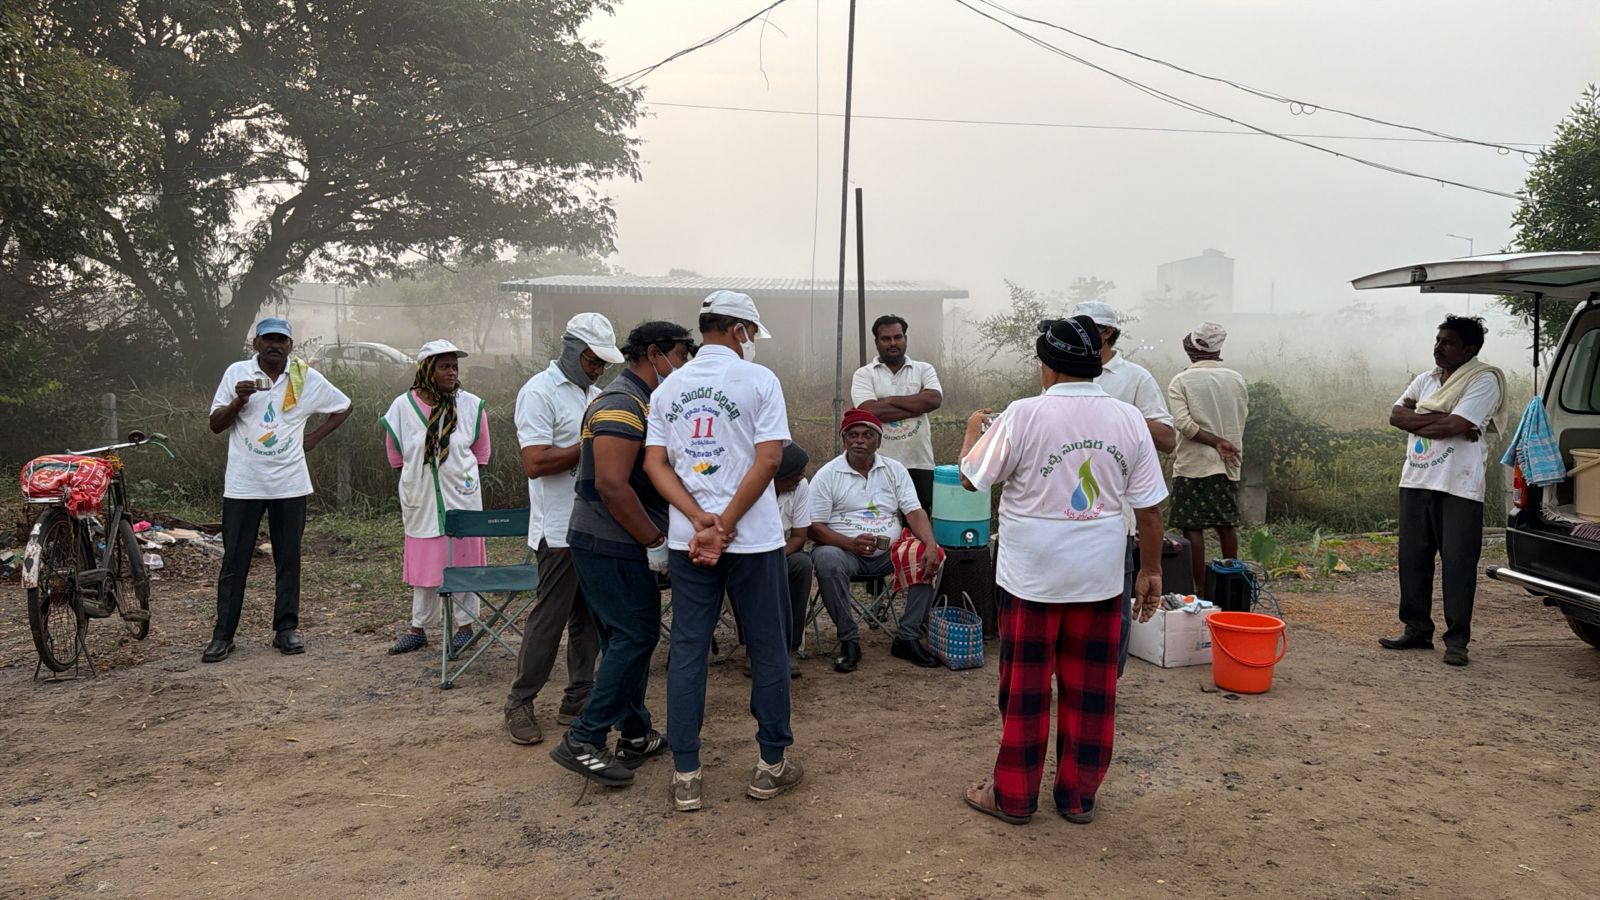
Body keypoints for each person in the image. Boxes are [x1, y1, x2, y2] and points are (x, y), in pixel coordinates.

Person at [958, 316, 1167, 826]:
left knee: (1025, 690)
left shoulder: (1023, 414)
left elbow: (970, 479)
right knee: (1091, 690)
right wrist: (1151, 570)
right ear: (1096, 363)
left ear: (1046, 366)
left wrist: (971, 432)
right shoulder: (1127, 418)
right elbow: (1149, 510)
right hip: (1100, 577)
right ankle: (1077, 797)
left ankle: (1013, 797)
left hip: (1031, 578)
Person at [643, 290, 801, 812]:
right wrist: (726, 525)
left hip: (690, 542)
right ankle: (771, 765)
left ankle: (686, 773)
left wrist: (698, 521)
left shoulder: (668, 387)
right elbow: (770, 459)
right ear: (739, 330)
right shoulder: (759, 380)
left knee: (689, 649)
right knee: (767, 645)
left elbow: (655, 464)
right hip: (752, 540)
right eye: (752, 333)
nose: (753, 341)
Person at [549, 322, 695, 787]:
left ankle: (634, 733)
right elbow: (612, 485)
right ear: (654, 353)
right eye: (680, 355)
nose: (683, 365)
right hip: (610, 542)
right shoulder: (621, 404)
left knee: (623, 639)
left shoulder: (641, 401)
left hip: (611, 540)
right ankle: (584, 737)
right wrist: (653, 541)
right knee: (635, 635)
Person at [203, 317, 352, 663]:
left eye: (281, 340)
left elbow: (344, 405)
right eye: (268, 339)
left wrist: (312, 438)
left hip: (290, 484)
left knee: (288, 559)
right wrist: (238, 401)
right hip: (244, 485)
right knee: (234, 561)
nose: (275, 345)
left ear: (290, 346)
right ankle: (223, 635)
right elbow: (215, 425)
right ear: (256, 344)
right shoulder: (237, 373)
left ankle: (286, 629)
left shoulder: (302, 376)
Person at [503, 313, 621, 745]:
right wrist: (590, 444)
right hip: (558, 528)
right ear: (572, 351)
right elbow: (535, 462)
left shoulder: (597, 394)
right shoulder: (540, 392)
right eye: (593, 360)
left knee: (588, 615)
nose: (599, 368)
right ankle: (520, 700)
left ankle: (578, 694)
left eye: (603, 362)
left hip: (593, 524)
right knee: (550, 619)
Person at [1382, 315, 1504, 667]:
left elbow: (1456, 424)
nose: (1439, 348)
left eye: (1448, 342)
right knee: (1413, 559)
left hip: (1459, 485)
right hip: (1416, 479)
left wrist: (1433, 420)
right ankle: (1416, 630)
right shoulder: (1427, 379)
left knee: (1458, 563)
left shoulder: (1483, 380)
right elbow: (1396, 416)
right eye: (1438, 340)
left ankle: (1457, 641)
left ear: (1470, 349)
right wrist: (1447, 422)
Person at [1072, 301, 1177, 678]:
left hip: (1116, 515)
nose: (1078, 332)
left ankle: (1106, 683)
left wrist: (1117, 414)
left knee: (1112, 608)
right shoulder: (1064, 374)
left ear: (1108, 333)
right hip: (1068, 511)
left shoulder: (1134, 378)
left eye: (1086, 326)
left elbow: (1167, 438)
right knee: (1070, 605)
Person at [808, 409, 943, 673]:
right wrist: (848, 544)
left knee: (929, 553)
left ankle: (907, 638)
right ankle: (849, 640)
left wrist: (929, 543)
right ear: (844, 439)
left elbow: (914, 512)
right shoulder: (828, 474)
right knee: (826, 559)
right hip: (844, 553)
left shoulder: (895, 470)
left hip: (889, 553)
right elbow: (813, 527)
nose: (859, 440)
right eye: (853, 435)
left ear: (879, 441)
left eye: (867, 435)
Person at [380, 341, 491, 656]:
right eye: (444, 366)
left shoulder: (471, 405)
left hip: (462, 497)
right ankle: (419, 629)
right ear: (427, 370)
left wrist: (456, 477)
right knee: (426, 567)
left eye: (454, 366)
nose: (451, 372)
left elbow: (481, 453)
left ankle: (465, 627)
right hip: (422, 498)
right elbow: (396, 456)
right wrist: (424, 479)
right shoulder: (402, 408)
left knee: (464, 564)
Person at [1166, 322, 1248, 596]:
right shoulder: (1236, 379)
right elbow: (1241, 416)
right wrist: (1226, 443)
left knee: (1192, 526)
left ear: (1190, 349)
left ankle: (1198, 590)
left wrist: (1215, 442)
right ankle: (1233, 586)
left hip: (1193, 464)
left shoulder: (1181, 381)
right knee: (1226, 525)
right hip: (1228, 465)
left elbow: (1184, 425)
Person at [851, 315, 943, 512]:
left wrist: (888, 400)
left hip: (919, 462)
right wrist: (916, 404)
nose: (892, 343)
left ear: (905, 339)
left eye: (897, 337)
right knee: (881, 518)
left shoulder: (923, 369)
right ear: (877, 343)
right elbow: (868, 411)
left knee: (917, 518)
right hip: (878, 463)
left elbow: (934, 400)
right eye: (886, 338)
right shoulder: (864, 374)